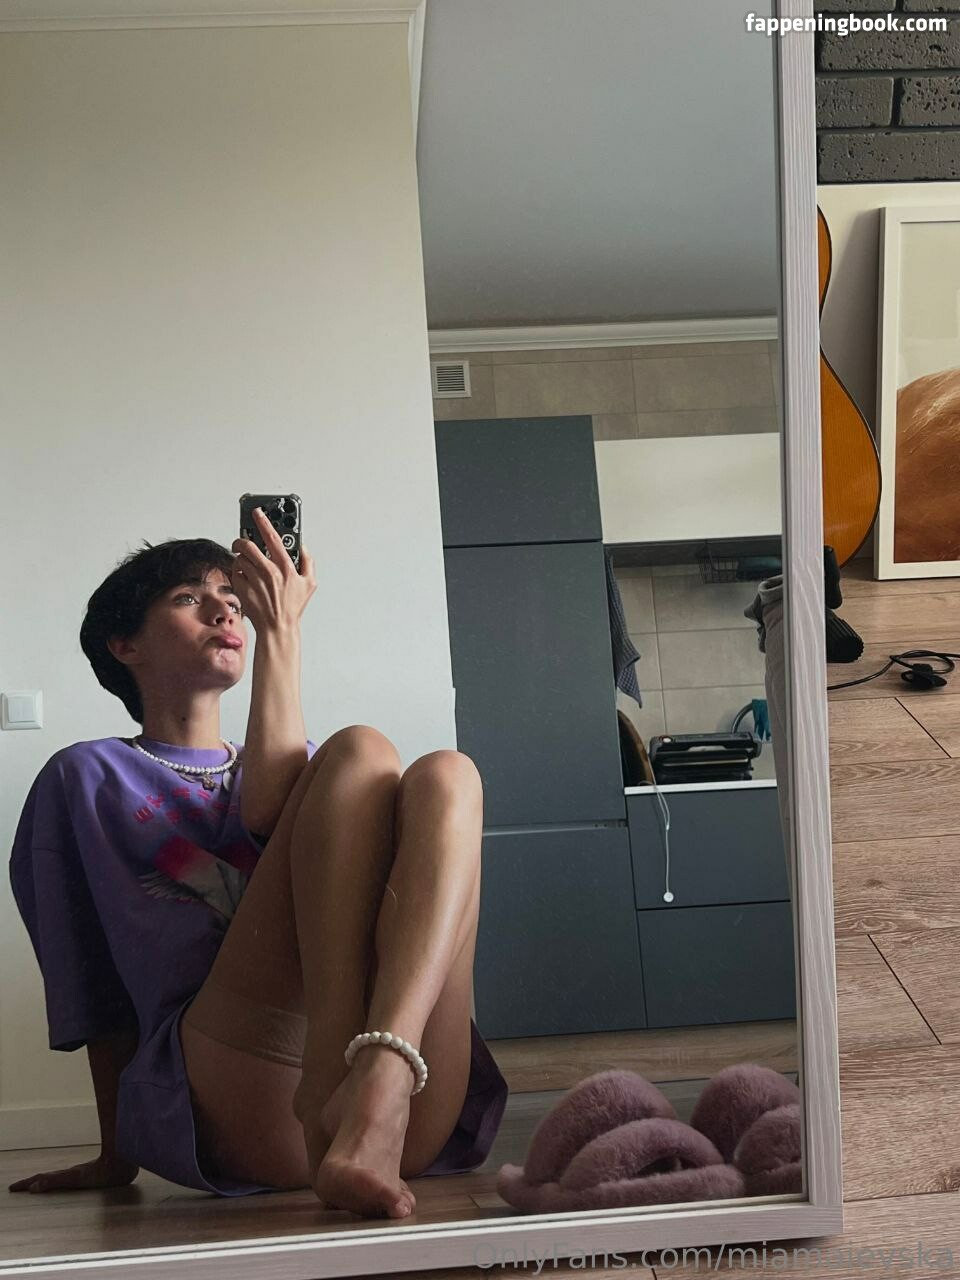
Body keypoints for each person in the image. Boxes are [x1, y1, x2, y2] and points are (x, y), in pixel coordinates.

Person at [7, 506, 508, 1219]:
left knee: (449, 775)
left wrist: (278, 633)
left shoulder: (315, 778)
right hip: (249, 1093)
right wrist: (117, 1152)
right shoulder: (86, 776)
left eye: (234, 600)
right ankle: (336, 1090)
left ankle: (379, 1082)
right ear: (125, 645)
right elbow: (87, 975)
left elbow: (272, 806)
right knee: (361, 750)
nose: (223, 609)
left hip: (411, 1104)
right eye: (189, 598)